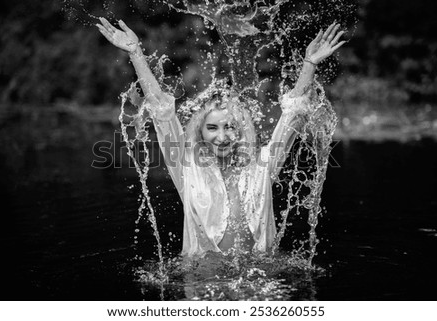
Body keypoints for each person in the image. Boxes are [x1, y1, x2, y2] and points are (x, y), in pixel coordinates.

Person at [96, 17, 345, 258]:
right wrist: (135, 53)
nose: (223, 136)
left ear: (242, 130)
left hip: (258, 282)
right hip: (203, 283)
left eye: (231, 127)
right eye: (213, 127)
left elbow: (291, 116)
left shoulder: (261, 167)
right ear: (200, 133)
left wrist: (309, 64)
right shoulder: (187, 169)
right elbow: (161, 109)